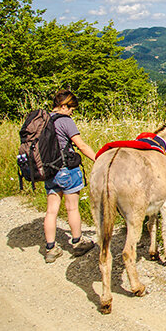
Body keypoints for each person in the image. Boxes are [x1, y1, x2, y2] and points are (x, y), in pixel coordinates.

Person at [43, 89, 97, 263]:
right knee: (72, 208)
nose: (73, 111)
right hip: (66, 170)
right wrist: (99, 159)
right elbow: (80, 145)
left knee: (51, 210)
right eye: (72, 108)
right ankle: (77, 242)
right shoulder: (65, 121)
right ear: (64, 105)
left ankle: (50, 248)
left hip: (49, 170)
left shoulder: (44, 119)